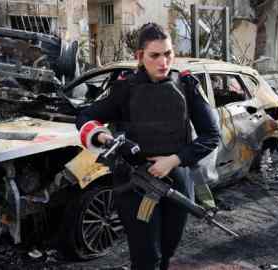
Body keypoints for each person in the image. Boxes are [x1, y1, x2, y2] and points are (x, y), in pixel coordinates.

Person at [76, 22, 220, 270]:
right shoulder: (125, 89)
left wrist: (173, 160)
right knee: (146, 259)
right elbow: (85, 117)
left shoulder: (185, 86)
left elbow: (211, 135)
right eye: (155, 55)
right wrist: (104, 138)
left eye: (168, 54)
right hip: (135, 183)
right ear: (140, 57)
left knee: (167, 252)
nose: (163, 62)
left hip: (176, 178)